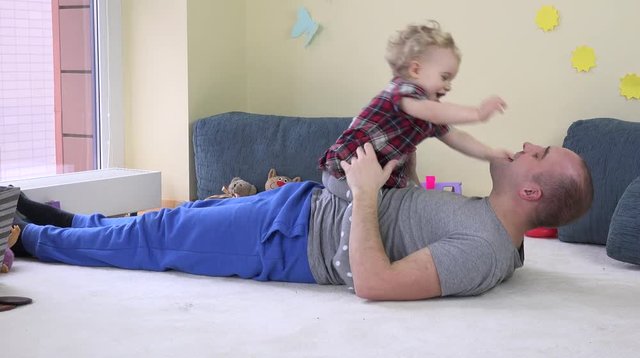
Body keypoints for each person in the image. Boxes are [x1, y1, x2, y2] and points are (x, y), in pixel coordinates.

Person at [7, 141, 593, 301]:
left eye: (537, 154)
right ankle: (55, 220)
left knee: (156, 238)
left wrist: (365, 195)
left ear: (533, 188)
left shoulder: (485, 252)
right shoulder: (499, 235)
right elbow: (406, 222)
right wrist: (399, 173)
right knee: (170, 217)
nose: (524, 145)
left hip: (287, 244)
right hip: (299, 207)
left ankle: (27, 237)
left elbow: (375, 283)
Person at [318, 21, 511, 201]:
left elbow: (457, 137)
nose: (448, 86)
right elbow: (432, 111)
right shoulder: (402, 90)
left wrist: (490, 154)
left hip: (375, 178)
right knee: (387, 209)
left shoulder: (427, 114)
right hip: (345, 171)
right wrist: (477, 113)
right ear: (416, 70)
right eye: (444, 77)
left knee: (404, 201)